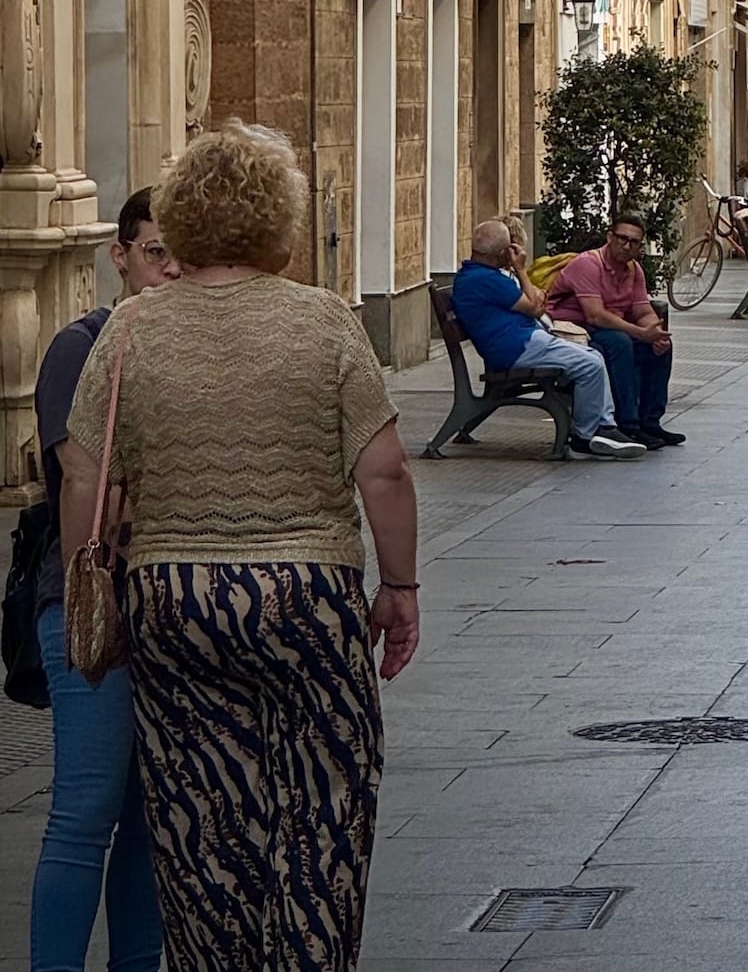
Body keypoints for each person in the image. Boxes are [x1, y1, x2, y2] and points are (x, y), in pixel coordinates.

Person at [58, 121, 420, 972]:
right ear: (280, 218)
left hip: (173, 595)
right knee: (325, 808)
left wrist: (89, 578)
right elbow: (386, 471)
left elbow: (83, 475)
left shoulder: (132, 329)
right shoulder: (326, 322)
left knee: (200, 815)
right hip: (305, 596)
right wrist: (399, 587)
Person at [29, 191, 176, 972]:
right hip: (90, 603)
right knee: (85, 811)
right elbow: (86, 485)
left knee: (149, 817)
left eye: (181, 255)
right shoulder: (80, 348)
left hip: (165, 606)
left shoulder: (187, 351)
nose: (170, 270)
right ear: (119, 255)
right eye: (156, 253)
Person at [451, 219, 645, 458]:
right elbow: (535, 307)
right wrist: (521, 269)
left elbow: (536, 301)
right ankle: (585, 436)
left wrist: (529, 293)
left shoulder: (480, 275)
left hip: (522, 341)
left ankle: (604, 426)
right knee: (590, 363)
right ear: (503, 253)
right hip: (517, 347)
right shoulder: (486, 279)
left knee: (593, 355)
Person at [544, 213, 683, 447]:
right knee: (619, 343)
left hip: (607, 329)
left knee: (659, 348)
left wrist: (654, 332)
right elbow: (595, 315)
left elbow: (642, 311)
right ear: (610, 237)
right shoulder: (588, 264)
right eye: (622, 239)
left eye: (634, 242)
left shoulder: (633, 270)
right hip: (576, 332)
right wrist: (639, 333)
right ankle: (628, 425)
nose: (627, 246)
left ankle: (650, 422)